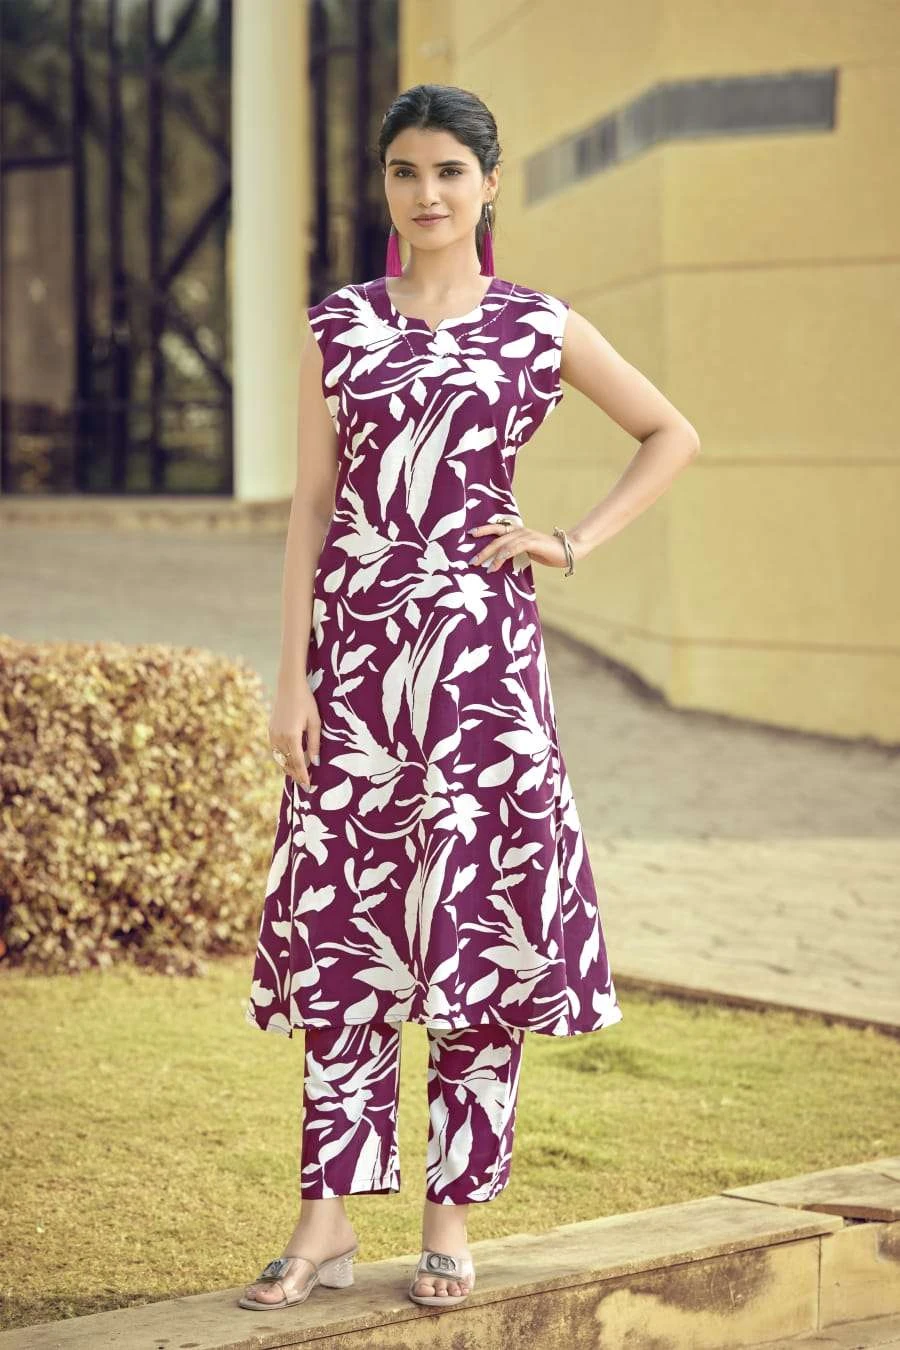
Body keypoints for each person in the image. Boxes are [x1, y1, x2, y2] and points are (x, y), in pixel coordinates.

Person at [240, 82, 700, 1315]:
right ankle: (328, 1218)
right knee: (346, 929)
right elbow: (311, 510)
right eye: (405, 171)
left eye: (450, 170)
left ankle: (449, 1219)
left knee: (477, 929)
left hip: (483, 676)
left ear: (491, 185)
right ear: (385, 186)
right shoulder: (339, 326)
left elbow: (671, 433)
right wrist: (290, 678)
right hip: (355, 665)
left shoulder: (539, 325)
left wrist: (569, 541)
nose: (427, 192)